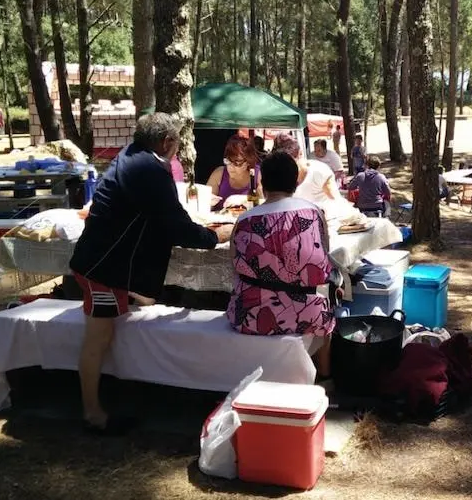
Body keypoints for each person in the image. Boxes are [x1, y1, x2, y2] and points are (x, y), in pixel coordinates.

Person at [70, 113, 233, 433]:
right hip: (103, 266)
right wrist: (216, 236)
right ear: (167, 142)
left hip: (105, 261)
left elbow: (160, 216)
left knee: (143, 308)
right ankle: (92, 413)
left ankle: (141, 388)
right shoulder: (150, 170)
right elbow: (174, 226)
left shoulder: (132, 156)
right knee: (97, 339)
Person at [227, 151, 335, 379]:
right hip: (307, 313)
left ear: (263, 183)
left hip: (250, 313)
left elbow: (234, 266)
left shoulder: (245, 220)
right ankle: (325, 375)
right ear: (296, 181)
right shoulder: (315, 213)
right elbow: (323, 256)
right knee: (326, 309)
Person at [274, 133, 339, 205]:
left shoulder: (320, 171)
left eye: (290, 162)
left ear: (300, 154)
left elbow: (337, 203)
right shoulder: (275, 175)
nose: (287, 168)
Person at [205, 136, 262, 206]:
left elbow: (266, 202)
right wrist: (208, 202)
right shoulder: (219, 174)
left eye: (237, 163)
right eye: (228, 161)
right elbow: (206, 205)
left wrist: (244, 199)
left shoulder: (258, 174)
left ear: (248, 162)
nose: (230, 167)